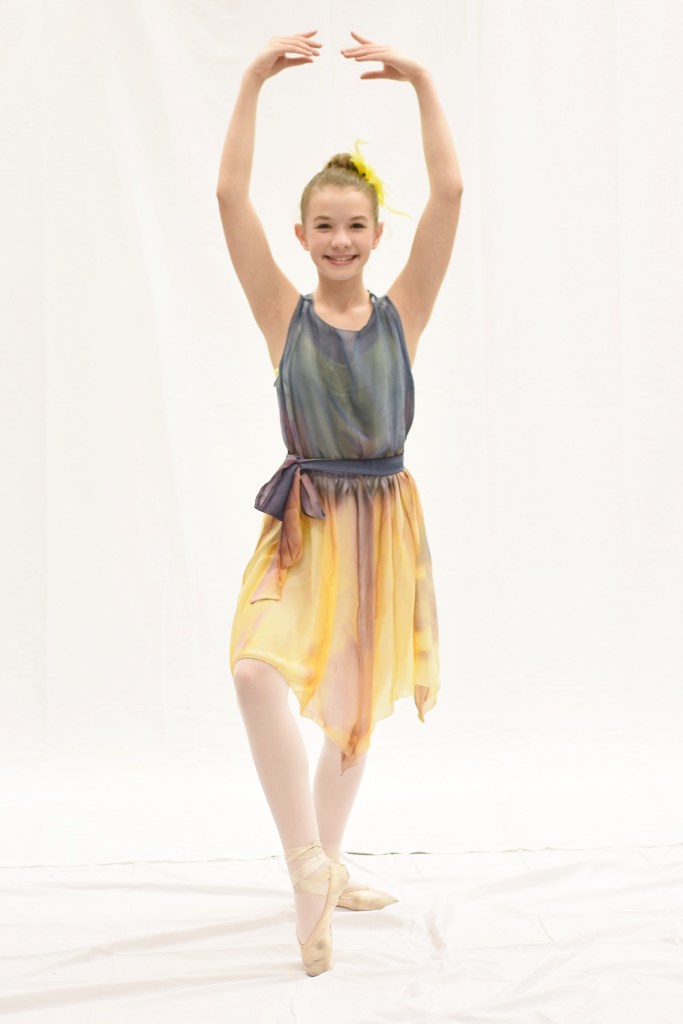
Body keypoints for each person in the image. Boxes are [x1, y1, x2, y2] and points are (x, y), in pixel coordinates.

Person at [216, 29, 463, 976]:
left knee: (352, 717)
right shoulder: (284, 315)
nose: (340, 241)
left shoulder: (404, 314)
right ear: (301, 236)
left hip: (380, 526)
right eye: (323, 226)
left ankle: (325, 872)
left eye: (355, 226)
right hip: (305, 522)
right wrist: (251, 80)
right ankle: (307, 867)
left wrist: (423, 81)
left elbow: (449, 193)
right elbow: (228, 197)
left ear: (375, 235)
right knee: (254, 672)